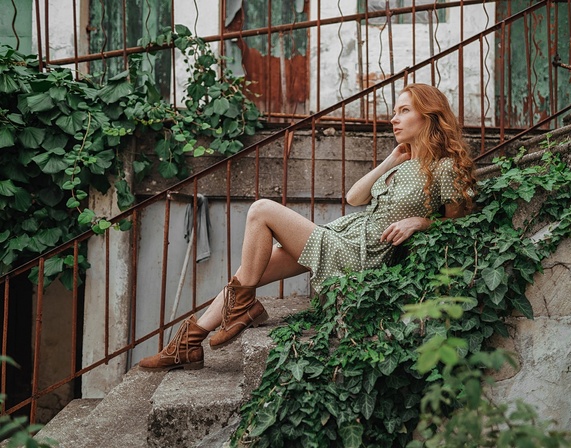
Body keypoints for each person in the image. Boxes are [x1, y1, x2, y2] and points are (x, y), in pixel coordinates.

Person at [138, 83, 476, 371]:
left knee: (261, 210)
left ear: (428, 116)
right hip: (346, 237)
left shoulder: (444, 168)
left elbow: (458, 222)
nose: (393, 117)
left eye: (403, 110)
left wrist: (420, 221)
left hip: (361, 256)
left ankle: (243, 309)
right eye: (395, 110)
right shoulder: (402, 163)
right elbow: (355, 197)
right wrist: (391, 159)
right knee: (250, 269)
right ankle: (191, 341)